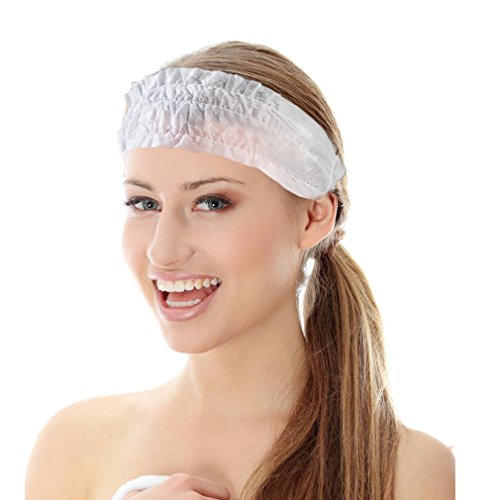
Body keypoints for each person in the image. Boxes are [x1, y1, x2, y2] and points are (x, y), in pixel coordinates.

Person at [25, 40, 455, 500]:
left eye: (212, 202)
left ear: (314, 217)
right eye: (144, 203)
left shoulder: (409, 471)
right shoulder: (76, 445)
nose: (162, 251)